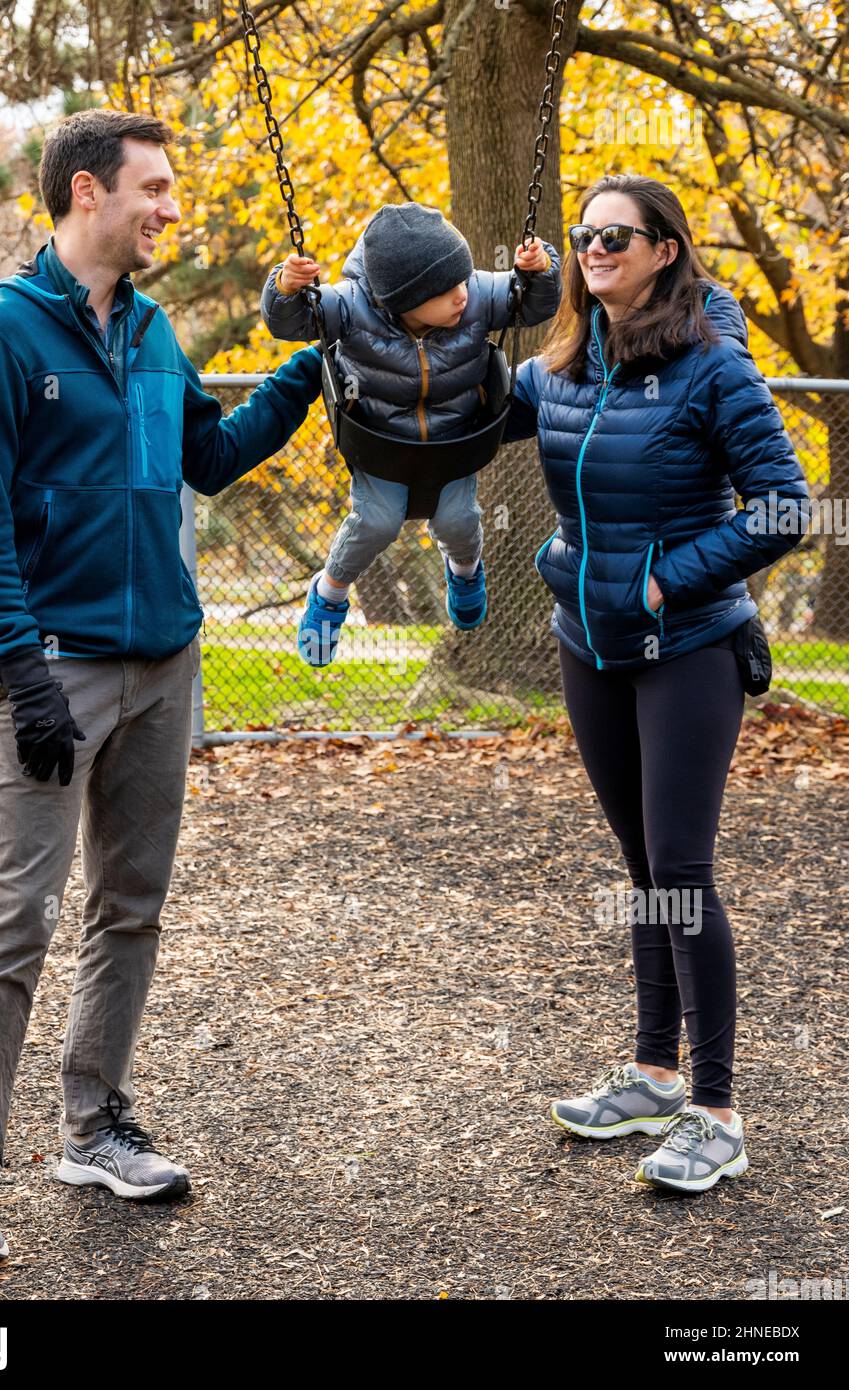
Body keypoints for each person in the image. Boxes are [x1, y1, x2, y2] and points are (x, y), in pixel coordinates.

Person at [0, 109, 324, 1268]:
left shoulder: (154, 332)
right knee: (18, 916)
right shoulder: (0, 338)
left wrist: (310, 372)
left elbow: (211, 455)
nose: (170, 208)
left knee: (131, 904)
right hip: (52, 669)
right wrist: (20, 666)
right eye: (155, 188)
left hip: (166, 666)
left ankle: (95, 1124)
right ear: (88, 192)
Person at [504, 173, 809, 1193]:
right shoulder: (561, 363)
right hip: (587, 644)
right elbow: (456, 414)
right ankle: (650, 1071)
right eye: (584, 234)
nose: (595, 248)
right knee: (641, 865)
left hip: (688, 649)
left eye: (616, 236)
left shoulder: (712, 367)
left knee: (680, 867)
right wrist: (355, 338)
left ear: (664, 250)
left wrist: (661, 578)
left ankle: (716, 1113)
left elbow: (783, 508)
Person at [260, 202, 562, 664]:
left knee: (458, 522)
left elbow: (535, 302)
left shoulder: (476, 295)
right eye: (446, 290)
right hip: (382, 444)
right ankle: (330, 593)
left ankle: (464, 571)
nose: (461, 294)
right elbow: (291, 321)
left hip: (453, 442)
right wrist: (284, 286)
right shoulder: (350, 306)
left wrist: (540, 270)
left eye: (463, 280)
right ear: (404, 298)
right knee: (375, 523)